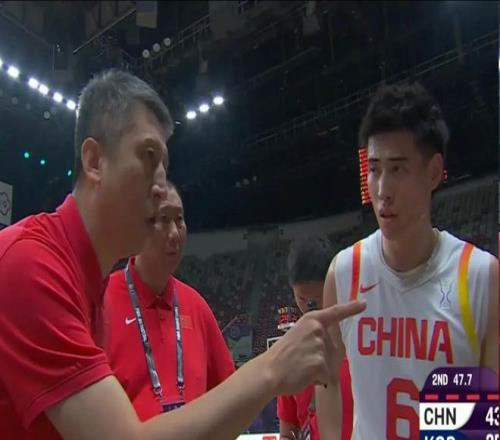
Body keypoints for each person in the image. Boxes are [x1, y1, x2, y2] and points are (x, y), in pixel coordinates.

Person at [0, 69, 366, 440]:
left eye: (164, 167)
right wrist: (272, 367)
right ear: (95, 161)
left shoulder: (89, 282)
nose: (161, 186)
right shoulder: (30, 265)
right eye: (147, 156)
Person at [316, 82, 498, 440]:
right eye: (374, 169)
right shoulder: (346, 271)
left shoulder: (480, 277)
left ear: (433, 172)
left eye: (397, 170)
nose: (382, 190)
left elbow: (489, 420)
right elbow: (327, 380)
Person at [103, 180, 235, 420]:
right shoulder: (101, 302)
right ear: (137, 227)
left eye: (180, 219)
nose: (174, 233)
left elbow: (229, 397)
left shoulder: (196, 307)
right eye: (164, 219)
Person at [278, 236, 353, 440]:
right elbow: (288, 432)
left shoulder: (359, 341)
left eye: (317, 299)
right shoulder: (290, 353)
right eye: (302, 299)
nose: (310, 308)